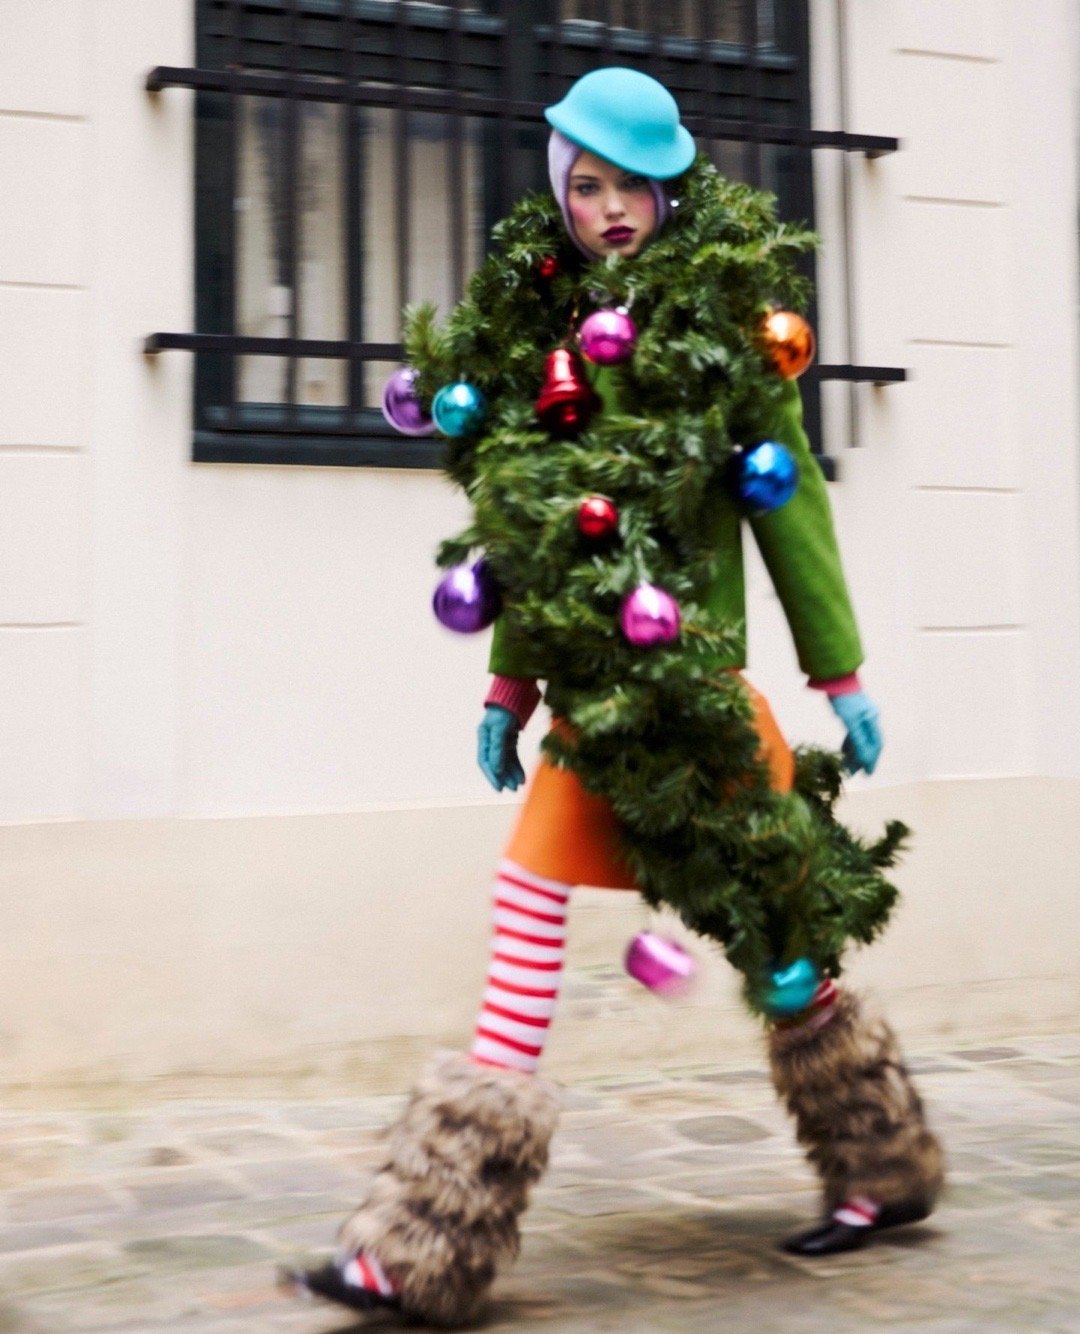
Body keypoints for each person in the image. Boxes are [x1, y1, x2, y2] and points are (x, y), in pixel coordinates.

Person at [291, 67, 943, 1326]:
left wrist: (839, 669)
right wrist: (507, 684)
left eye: (631, 184)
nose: (608, 208)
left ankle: (879, 1161)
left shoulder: (723, 325)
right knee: (529, 901)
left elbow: (788, 492)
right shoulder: (547, 341)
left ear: (668, 186)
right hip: (593, 703)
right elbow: (541, 529)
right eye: (585, 185)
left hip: (693, 692)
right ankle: (426, 1246)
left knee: (774, 940)